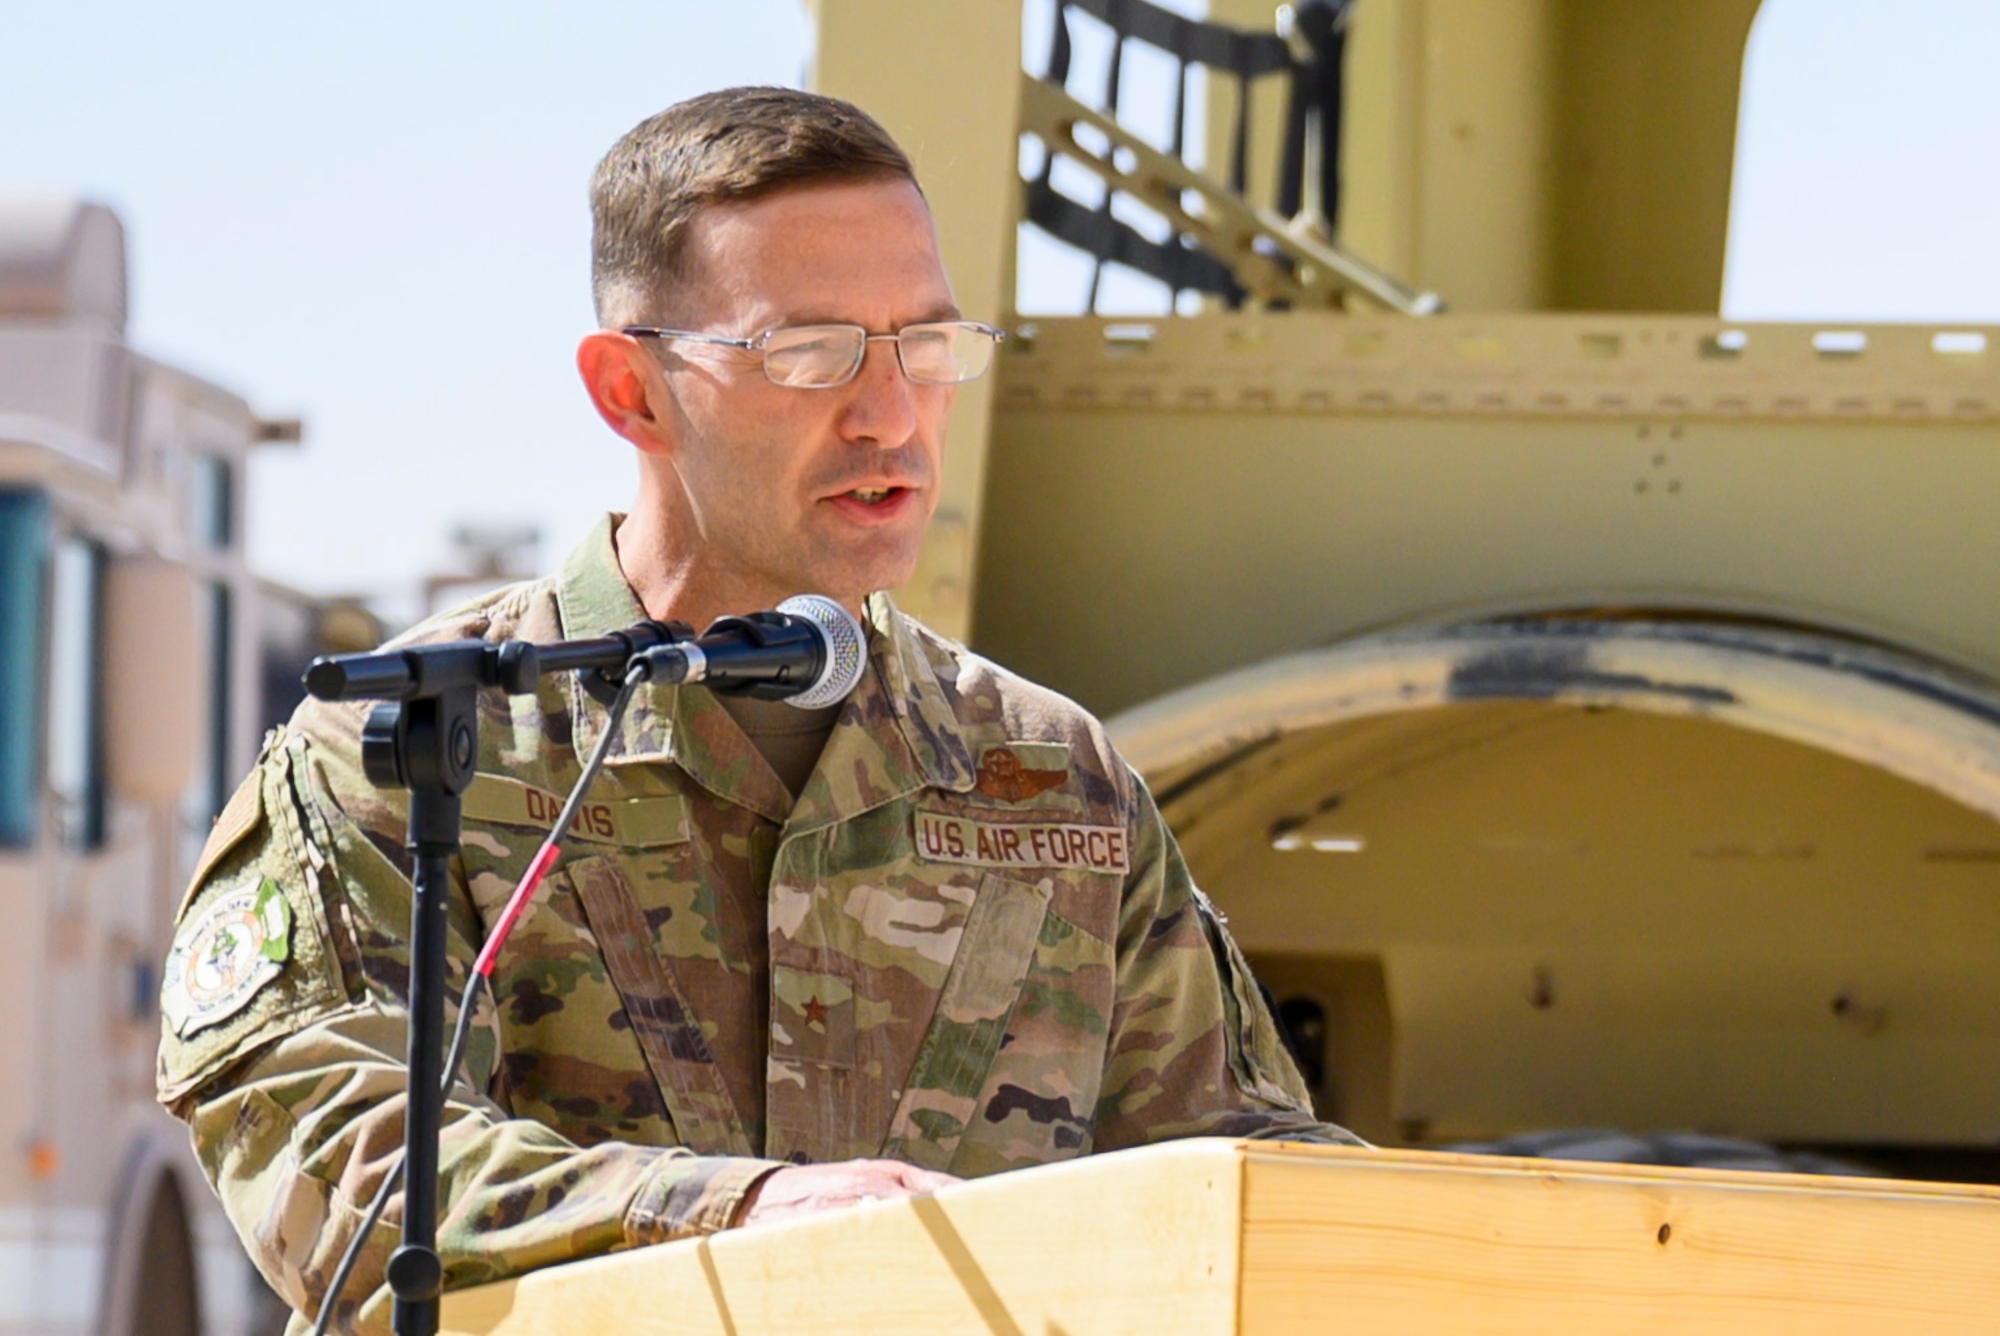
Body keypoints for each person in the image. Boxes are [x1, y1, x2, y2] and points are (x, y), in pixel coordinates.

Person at [157, 86, 1356, 1334]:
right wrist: (729, 1215)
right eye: (810, 353)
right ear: (632, 393)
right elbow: (333, 1175)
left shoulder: (1048, 773)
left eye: (926, 347)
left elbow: (1236, 1172)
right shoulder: (413, 747)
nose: (890, 411)